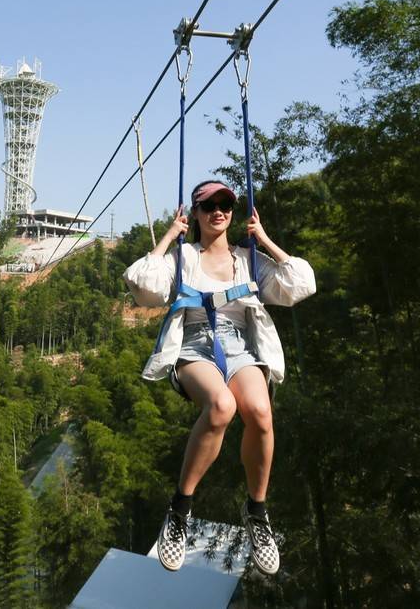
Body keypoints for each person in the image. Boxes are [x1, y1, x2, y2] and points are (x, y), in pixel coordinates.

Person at [124, 179, 316, 576]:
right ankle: (180, 509)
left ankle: (257, 512)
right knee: (221, 407)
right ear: (195, 214)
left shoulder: (248, 258)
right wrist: (168, 236)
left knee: (261, 413)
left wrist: (263, 238)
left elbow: (301, 284)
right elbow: (143, 286)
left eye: (226, 203)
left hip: (240, 346)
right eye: (209, 205)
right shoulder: (183, 257)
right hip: (194, 346)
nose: (219, 211)